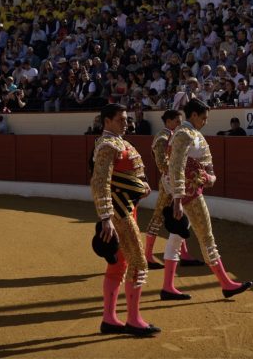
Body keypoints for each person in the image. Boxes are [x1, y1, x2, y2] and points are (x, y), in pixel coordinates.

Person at [165, 98, 252, 300]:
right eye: (203, 118)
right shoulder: (184, 134)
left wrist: (210, 176)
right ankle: (225, 283)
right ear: (193, 115)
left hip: (188, 191)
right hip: (189, 194)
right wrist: (178, 197)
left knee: (176, 238)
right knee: (206, 237)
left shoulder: (192, 134)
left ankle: (168, 287)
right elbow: (175, 166)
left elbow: (206, 163)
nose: (205, 121)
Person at [90, 103, 159, 336]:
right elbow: (100, 183)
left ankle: (109, 319)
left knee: (119, 264)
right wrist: (106, 217)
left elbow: (130, 173)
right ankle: (133, 319)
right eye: (121, 119)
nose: (126, 122)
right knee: (138, 263)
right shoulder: (108, 145)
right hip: (119, 212)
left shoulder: (121, 142)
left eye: (126, 119)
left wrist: (142, 185)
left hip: (128, 208)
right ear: (107, 121)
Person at [142, 110, 203, 280]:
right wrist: (174, 175)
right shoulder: (163, 136)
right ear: (168, 121)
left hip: (175, 180)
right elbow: (162, 163)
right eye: (177, 121)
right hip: (169, 183)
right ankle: (147, 255)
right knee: (158, 216)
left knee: (180, 216)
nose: (179, 124)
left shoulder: (172, 135)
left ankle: (184, 254)